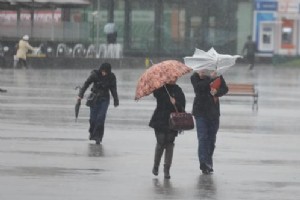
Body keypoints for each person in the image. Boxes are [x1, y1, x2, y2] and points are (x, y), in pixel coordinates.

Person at [190, 69, 228, 174]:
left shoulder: (217, 75)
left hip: (214, 113)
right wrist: (210, 79)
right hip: (200, 112)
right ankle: (203, 163)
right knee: (202, 138)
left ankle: (208, 163)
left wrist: (217, 92)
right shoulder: (195, 76)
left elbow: (225, 89)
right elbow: (198, 88)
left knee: (211, 140)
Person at [149, 81, 186, 179]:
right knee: (160, 142)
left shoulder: (178, 90)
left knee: (169, 144)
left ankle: (167, 170)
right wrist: (167, 98)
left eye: (175, 77)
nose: (174, 79)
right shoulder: (160, 88)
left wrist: (176, 103)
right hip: (159, 119)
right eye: (172, 77)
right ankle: (156, 166)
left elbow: (182, 106)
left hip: (173, 121)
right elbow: (157, 96)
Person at [77, 63, 119, 144]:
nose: (104, 73)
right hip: (94, 98)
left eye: (105, 72)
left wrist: (116, 100)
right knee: (93, 119)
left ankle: (98, 137)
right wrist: (80, 95)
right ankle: (92, 133)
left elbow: (113, 89)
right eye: (103, 71)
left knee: (101, 118)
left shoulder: (111, 77)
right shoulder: (95, 75)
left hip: (105, 99)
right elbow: (86, 84)